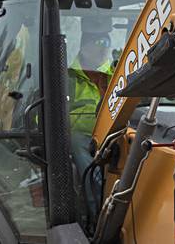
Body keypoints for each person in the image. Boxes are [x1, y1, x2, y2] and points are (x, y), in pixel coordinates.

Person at [68, 16, 114, 218]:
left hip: (115, 135)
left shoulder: (117, 75)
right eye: (99, 42)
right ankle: (98, 212)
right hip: (85, 140)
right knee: (76, 140)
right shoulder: (68, 79)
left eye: (107, 42)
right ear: (84, 47)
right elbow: (48, 114)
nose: (104, 48)